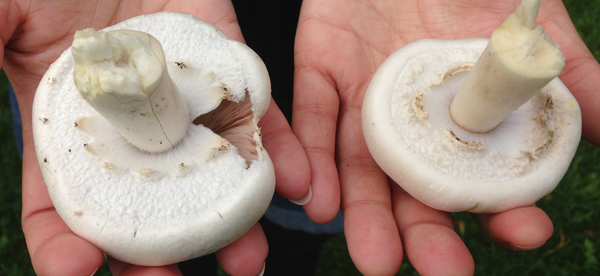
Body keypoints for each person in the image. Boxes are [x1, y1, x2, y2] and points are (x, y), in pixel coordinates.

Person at [2, 0, 598, 275]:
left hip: (337, 32)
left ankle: (293, 246)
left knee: (311, 181)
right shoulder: (71, 100)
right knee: (301, 165)